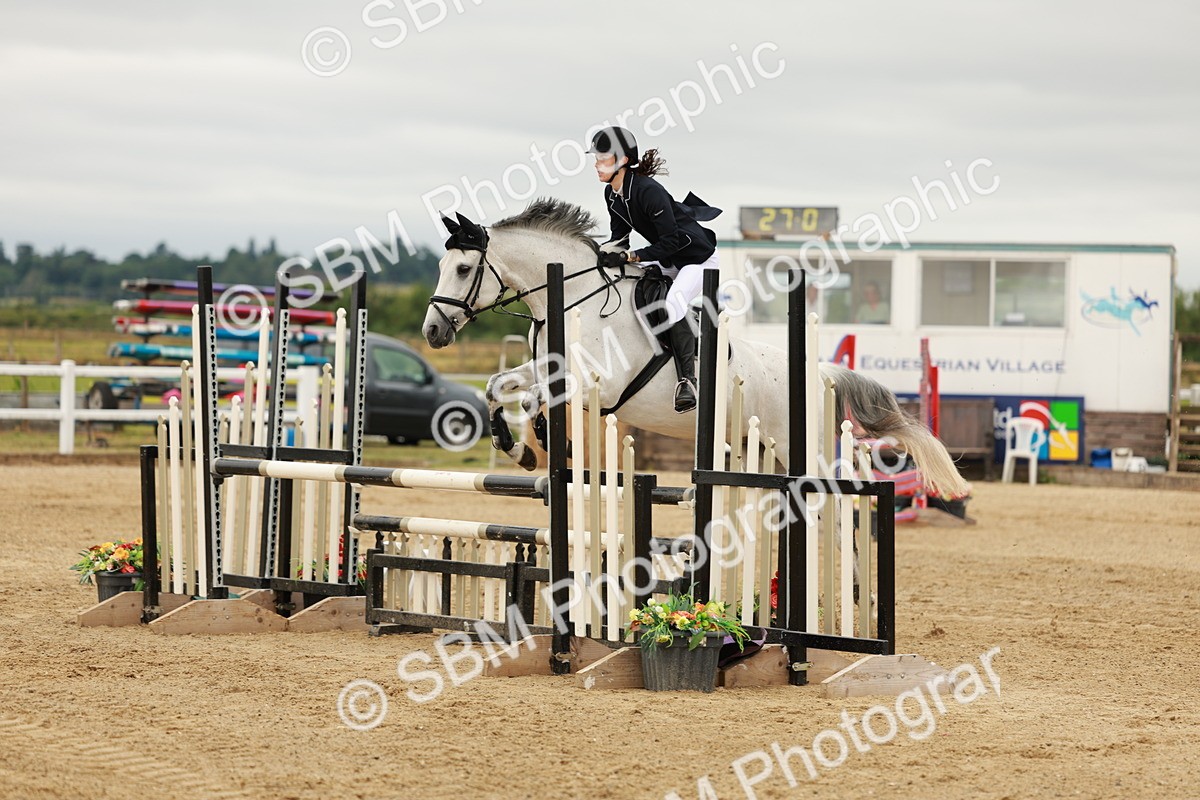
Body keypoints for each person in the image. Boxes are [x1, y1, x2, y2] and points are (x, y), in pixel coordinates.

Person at [587, 126, 721, 413]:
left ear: (622, 161)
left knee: (673, 302)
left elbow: (672, 240)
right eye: (596, 159)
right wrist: (600, 256)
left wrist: (632, 256)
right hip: (667, 256)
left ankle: (687, 379)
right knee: (628, 283)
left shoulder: (649, 191)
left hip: (697, 259)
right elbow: (619, 238)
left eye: (603, 159)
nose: (597, 165)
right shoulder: (612, 194)